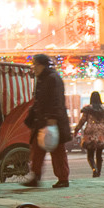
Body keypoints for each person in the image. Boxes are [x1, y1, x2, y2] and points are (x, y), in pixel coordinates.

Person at [23, 54, 71, 188]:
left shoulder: (52, 78)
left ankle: (63, 178)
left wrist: (52, 118)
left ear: (42, 65)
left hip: (52, 121)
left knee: (57, 151)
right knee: (37, 150)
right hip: (41, 121)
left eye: (36, 65)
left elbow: (56, 100)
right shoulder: (43, 79)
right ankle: (35, 176)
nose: (34, 68)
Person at [74, 91, 104, 177]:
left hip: (90, 134)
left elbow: (82, 121)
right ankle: (98, 172)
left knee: (90, 155)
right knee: (99, 155)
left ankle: (94, 169)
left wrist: (76, 130)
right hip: (101, 135)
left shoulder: (87, 109)